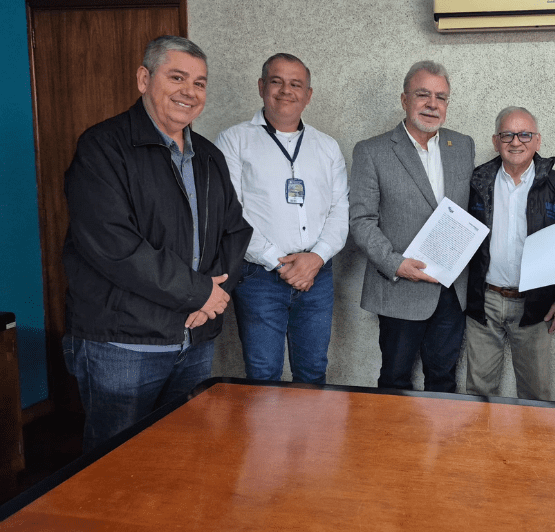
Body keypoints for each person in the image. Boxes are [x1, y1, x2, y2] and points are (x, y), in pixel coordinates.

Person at [62, 36, 252, 452]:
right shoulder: (102, 147)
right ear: (143, 79)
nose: (190, 91)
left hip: (194, 339)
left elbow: (235, 231)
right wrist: (200, 292)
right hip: (124, 343)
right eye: (177, 77)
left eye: (200, 83)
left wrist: (214, 298)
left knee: (183, 458)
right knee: (116, 462)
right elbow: (114, 246)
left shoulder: (208, 156)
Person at [215, 54, 348, 384]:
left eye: (296, 84)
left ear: (308, 95)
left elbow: (339, 211)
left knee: (313, 372)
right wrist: (281, 263)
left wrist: (315, 259)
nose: (286, 90)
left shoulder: (327, 146)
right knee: (263, 375)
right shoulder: (234, 140)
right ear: (262, 86)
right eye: (277, 81)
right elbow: (231, 213)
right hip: (259, 278)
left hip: (317, 276)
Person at [350, 60, 475, 392]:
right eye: (423, 94)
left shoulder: (463, 146)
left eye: (441, 97)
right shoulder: (372, 151)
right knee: (395, 380)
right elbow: (361, 221)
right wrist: (396, 264)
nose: (432, 104)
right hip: (399, 288)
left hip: (451, 291)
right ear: (404, 99)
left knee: (444, 381)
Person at [465, 107, 555, 400]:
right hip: (485, 301)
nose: (515, 142)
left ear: (538, 140)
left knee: (535, 395)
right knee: (478, 392)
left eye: (524, 135)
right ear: (496, 141)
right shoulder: (476, 182)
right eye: (507, 135)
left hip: (536, 304)